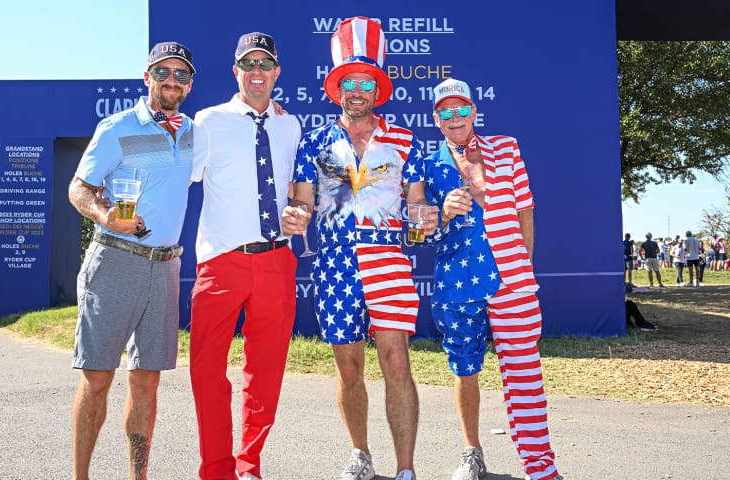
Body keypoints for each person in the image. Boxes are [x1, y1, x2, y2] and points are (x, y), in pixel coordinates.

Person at [283, 17, 438, 480]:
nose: (356, 90)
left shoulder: (405, 141)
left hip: (388, 257)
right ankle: (360, 454)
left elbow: (415, 211)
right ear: (336, 88)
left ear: (377, 89)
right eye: (348, 81)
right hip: (333, 261)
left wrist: (423, 223)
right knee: (349, 368)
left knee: (396, 363)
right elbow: (300, 204)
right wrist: (295, 216)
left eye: (365, 81)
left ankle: (405, 469)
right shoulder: (314, 141)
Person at [416, 78, 562, 480]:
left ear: (474, 112)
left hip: (513, 281)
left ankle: (541, 469)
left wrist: (523, 266)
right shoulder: (428, 165)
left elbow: (526, 212)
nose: (455, 117)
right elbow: (416, 232)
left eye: (462, 109)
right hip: (457, 284)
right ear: (436, 118)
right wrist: (442, 212)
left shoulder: (506, 148)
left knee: (524, 376)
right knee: (466, 370)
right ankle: (471, 454)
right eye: (446, 111)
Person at [67, 41, 196, 480]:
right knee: (98, 378)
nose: (171, 81)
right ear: (147, 78)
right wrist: (106, 216)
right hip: (116, 261)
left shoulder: (194, 132)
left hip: (165, 267)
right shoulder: (118, 126)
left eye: (180, 75)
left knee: (146, 381)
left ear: (189, 83)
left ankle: (137, 477)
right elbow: (80, 188)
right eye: (163, 73)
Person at [188, 32, 300, 480]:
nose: (257, 72)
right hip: (221, 261)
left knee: (266, 372)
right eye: (248, 65)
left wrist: (302, 210)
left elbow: (300, 191)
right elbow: (179, 180)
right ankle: (217, 470)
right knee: (207, 372)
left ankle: (250, 465)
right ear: (236, 71)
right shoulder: (207, 121)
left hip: (276, 260)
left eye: (265, 64)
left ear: (276, 73)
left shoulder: (291, 126)